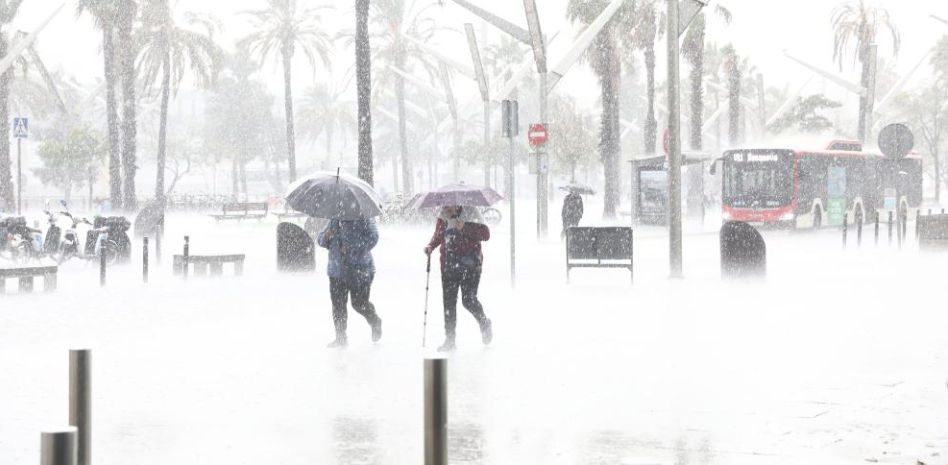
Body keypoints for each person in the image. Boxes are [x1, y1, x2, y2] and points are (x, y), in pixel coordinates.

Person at [424, 205, 492, 351]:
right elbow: (439, 234)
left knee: (468, 300)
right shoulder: (443, 215)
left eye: (449, 204)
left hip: (470, 264)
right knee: (449, 303)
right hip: (449, 264)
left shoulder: (471, 211)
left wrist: (465, 228)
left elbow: (486, 234)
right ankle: (450, 340)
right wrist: (431, 245)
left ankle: (484, 323)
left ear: (457, 202)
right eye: (444, 204)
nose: (446, 207)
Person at [317, 218, 382, 348]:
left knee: (359, 304)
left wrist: (351, 246)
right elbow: (321, 241)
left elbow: (373, 238)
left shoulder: (364, 217)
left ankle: (375, 321)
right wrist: (326, 236)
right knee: (338, 306)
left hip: (359, 269)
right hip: (336, 270)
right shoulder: (335, 220)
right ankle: (340, 338)